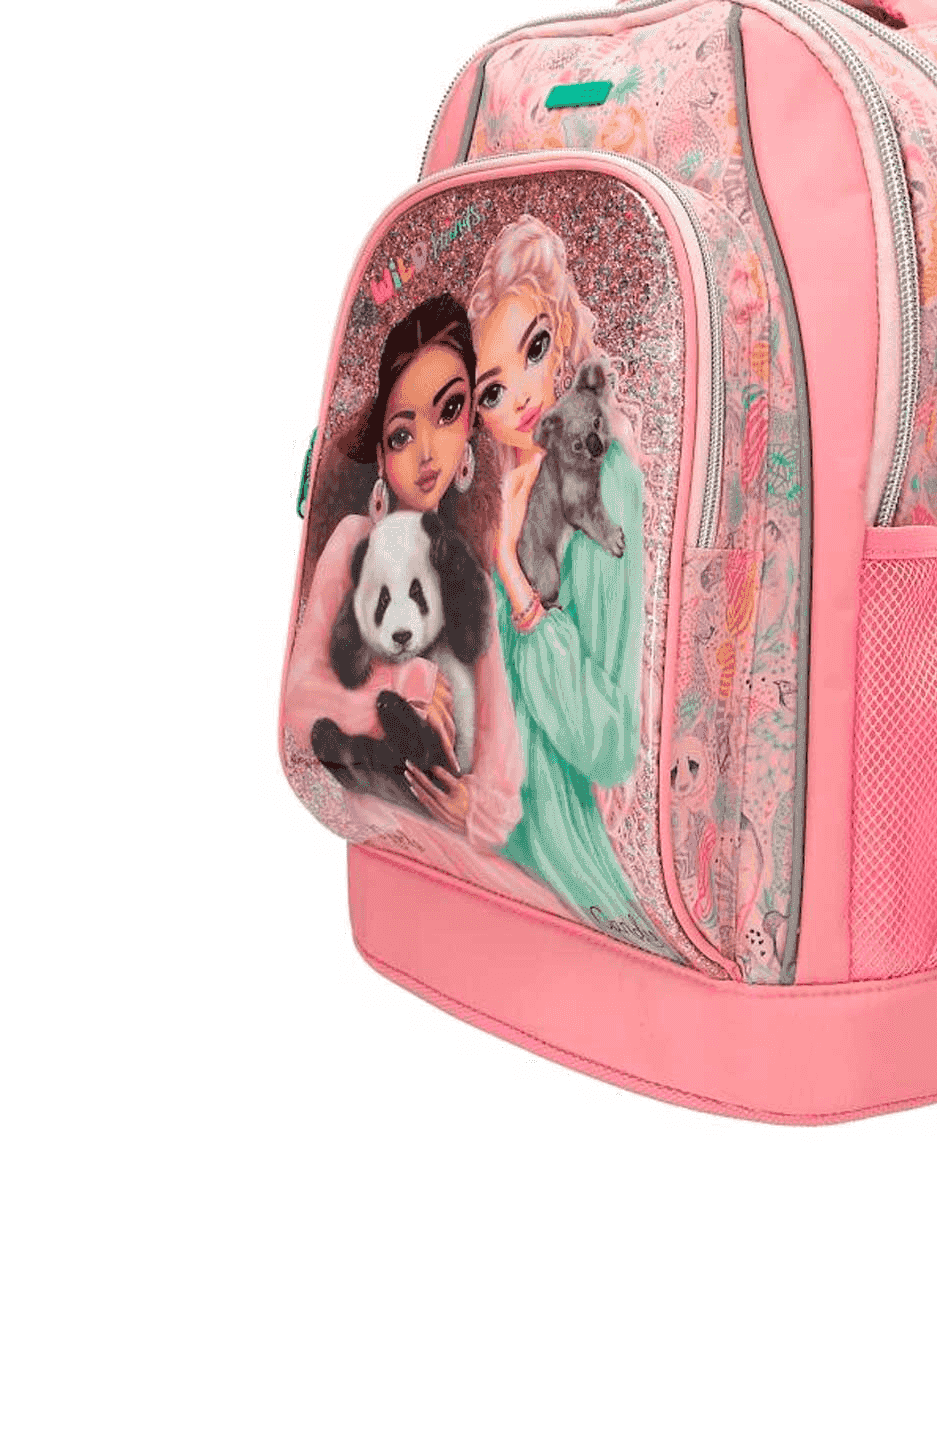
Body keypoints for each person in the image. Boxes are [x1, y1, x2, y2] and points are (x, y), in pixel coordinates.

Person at [282, 293, 555, 914]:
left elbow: (501, 767)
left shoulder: (469, 575)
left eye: (449, 411)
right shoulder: (355, 541)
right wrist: (397, 692)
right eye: (402, 433)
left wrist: (473, 806)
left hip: (447, 845)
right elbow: (298, 702)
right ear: (380, 455)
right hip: (378, 820)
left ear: (471, 429)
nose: (428, 452)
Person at [466, 220, 661, 946]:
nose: (521, 395)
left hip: (559, 864)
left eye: (535, 348)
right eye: (492, 390)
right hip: (477, 838)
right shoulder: (490, 493)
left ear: (566, 334)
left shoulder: (605, 482)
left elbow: (608, 746)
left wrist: (514, 580)